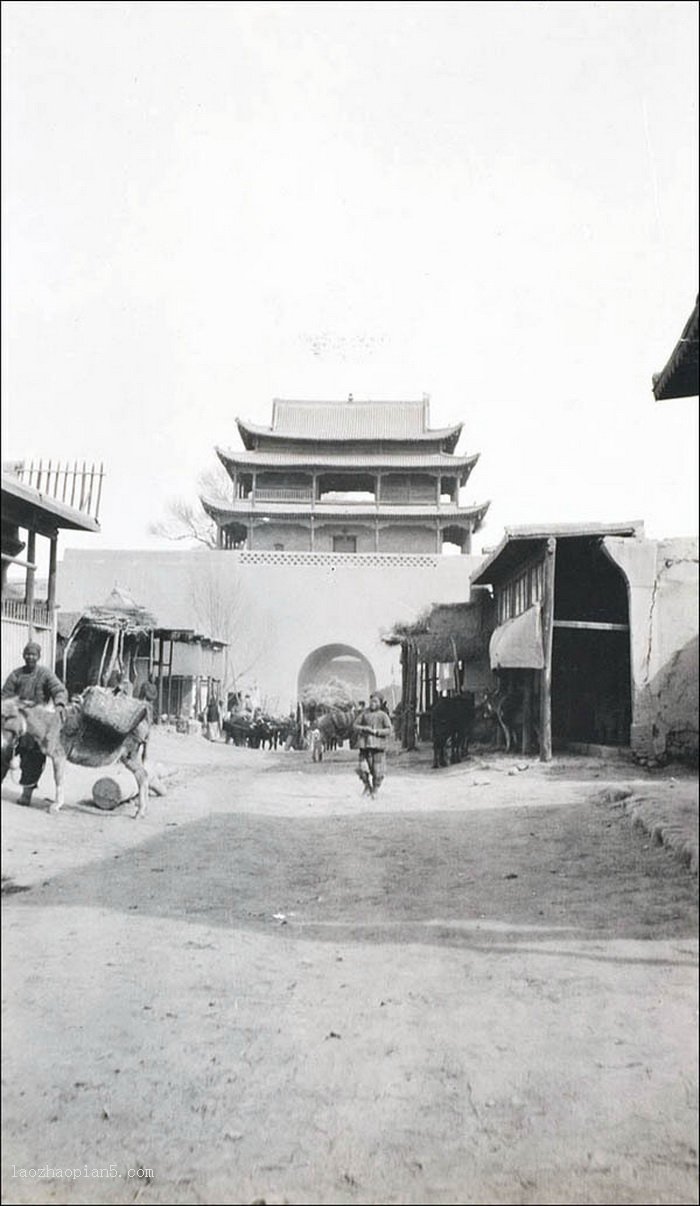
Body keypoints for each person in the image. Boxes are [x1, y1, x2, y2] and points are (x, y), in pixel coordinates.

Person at [1, 642, 68, 804]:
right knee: (3, 754)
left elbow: (59, 690)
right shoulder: (16, 675)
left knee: (33, 760)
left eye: (33, 654)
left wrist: (60, 704)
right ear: (23, 655)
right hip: (17, 721)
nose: (30, 657)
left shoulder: (45, 674)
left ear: (38, 657)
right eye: (27, 654)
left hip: (37, 725)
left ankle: (26, 794)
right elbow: (5, 696)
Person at [352, 692, 393, 797]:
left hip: (378, 746)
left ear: (380, 703)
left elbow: (389, 730)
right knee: (362, 768)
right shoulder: (364, 714)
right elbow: (355, 726)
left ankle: (375, 789)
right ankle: (367, 786)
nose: (372, 703)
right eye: (371, 701)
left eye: (375, 701)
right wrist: (364, 728)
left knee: (377, 770)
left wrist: (377, 732)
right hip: (364, 745)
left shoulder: (383, 715)